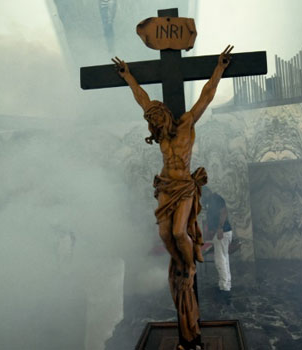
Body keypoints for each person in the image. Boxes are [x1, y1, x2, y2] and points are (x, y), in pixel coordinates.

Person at [112, 45, 233, 349]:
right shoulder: (162, 136)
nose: (154, 127)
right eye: (150, 124)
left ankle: (190, 266)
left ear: (164, 115)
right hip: (166, 187)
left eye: (156, 121)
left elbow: (206, 95)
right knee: (166, 233)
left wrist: (218, 68)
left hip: (185, 188)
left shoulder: (187, 125)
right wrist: (128, 76)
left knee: (180, 231)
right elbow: (141, 98)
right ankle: (180, 270)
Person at [202, 187, 233, 304]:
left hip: (222, 232)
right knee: (224, 260)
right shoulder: (210, 201)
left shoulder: (215, 198)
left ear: (207, 192)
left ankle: (225, 290)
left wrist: (219, 228)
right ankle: (225, 286)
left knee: (220, 260)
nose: (202, 197)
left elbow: (224, 212)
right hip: (221, 232)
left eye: (202, 194)